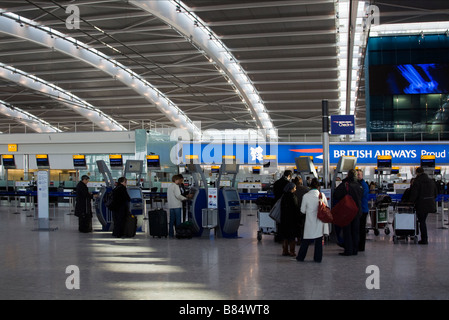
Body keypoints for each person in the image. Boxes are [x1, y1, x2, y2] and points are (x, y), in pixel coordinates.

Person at [296, 178, 329, 263]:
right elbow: (327, 208)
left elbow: (302, 210)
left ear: (310, 186)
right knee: (318, 240)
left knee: (306, 240)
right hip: (319, 221)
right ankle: (318, 258)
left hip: (309, 221)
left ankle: (301, 257)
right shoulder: (322, 195)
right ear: (318, 187)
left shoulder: (306, 196)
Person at [333, 169, 364, 256]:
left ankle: (348, 250)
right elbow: (361, 196)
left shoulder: (346, 184)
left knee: (347, 231)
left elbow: (336, 195)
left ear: (348, 175)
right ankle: (355, 250)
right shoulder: (359, 185)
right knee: (355, 231)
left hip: (347, 211)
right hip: (357, 211)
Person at [409, 167, 438, 244]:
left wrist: (411, 202)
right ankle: (424, 238)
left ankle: (424, 239)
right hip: (430, 203)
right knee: (423, 221)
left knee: (422, 221)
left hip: (421, 204)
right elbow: (435, 194)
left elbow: (414, 194)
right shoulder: (431, 181)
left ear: (417, 172)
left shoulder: (417, 181)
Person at [280, 182, 300, 256]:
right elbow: (296, 208)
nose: (295, 189)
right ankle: (292, 251)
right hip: (292, 220)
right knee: (292, 237)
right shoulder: (293, 197)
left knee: (285, 236)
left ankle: (285, 251)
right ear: (291, 189)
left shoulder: (283, 197)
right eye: (294, 188)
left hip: (284, 219)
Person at [356, 169, 369, 252]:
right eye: (357, 174)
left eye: (359, 174)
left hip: (363, 209)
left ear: (362, 175)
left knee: (361, 228)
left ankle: (361, 246)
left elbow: (361, 195)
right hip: (359, 209)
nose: (358, 176)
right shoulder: (358, 184)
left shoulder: (364, 185)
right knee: (359, 228)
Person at [293, 176, 309, 243]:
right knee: (303, 224)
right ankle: (303, 238)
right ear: (301, 181)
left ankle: (298, 238)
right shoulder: (305, 189)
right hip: (304, 209)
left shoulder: (293, 190)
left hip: (295, 209)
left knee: (296, 225)